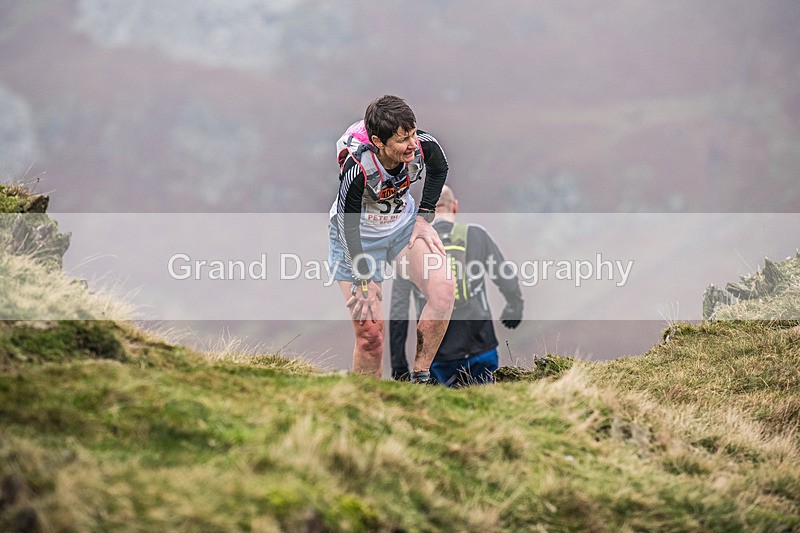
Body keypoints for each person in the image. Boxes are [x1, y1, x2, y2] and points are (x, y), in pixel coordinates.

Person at [328, 95, 455, 383]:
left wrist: (424, 217)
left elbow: (439, 167)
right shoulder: (359, 168)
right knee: (370, 335)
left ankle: (421, 378)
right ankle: (367, 404)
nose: (412, 144)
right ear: (378, 141)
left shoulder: (422, 144)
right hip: (356, 238)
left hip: (402, 227)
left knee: (444, 291)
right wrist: (363, 279)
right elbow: (347, 227)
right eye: (402, 139)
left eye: (412, 134)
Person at [389, 185, 524, 387]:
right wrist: (514, 306)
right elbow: (505, 277)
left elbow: (398, 310)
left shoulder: (411, 249)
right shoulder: (477, 235)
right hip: (481, 350)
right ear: (455, 207)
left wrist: (398, 364)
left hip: (434, 358)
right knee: (487, 411)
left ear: (425, 212)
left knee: (443, 416)